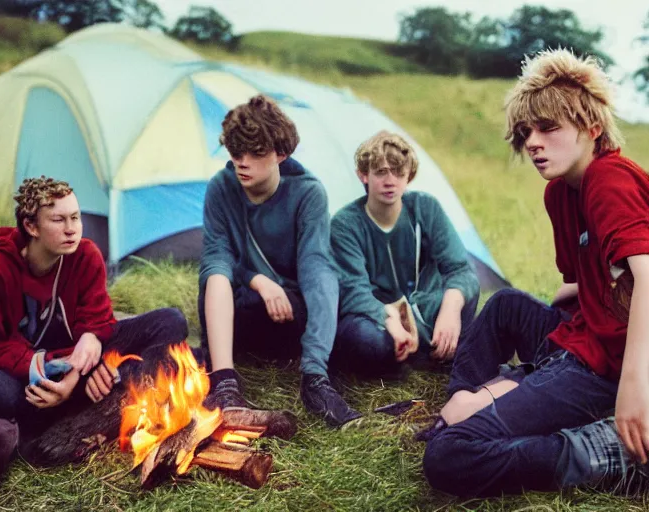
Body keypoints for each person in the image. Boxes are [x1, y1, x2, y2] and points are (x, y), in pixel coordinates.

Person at [421, 48, 649, 497]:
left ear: (592, 128)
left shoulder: (610, 179)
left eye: (548, 128)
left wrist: (634, 387)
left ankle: (603, 456)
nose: (533, 143)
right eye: (526, 132)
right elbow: (588, 277)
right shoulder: (562, 194)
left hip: (611, 367)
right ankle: (462, 402)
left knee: (449, 456)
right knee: (506, 303)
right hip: (585, 343)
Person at [0, 176, 188, 435]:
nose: (71, 229)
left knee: (170, 320)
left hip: (73, 363)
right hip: (24, 373)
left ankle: (94, 394)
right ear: (31, 226)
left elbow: (99, 318)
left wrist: (91, 343)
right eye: (58, 220)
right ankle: (102, 394)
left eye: (75, 218)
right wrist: (60, 369)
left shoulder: (86, 255)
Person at [198, 94, 361, 427]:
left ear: (280, 154)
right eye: (235, 152)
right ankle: (224, 383)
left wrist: (315, 369)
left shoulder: (308, 193)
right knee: (215, 276)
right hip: (241, 308)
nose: (242, 162)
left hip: (290, 314)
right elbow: (217, 258)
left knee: (326, 287)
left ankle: (316, 381)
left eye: (256, 154)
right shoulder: (220, 187)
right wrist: (258, 280)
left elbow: (316, 269)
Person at [330, 131, 479, 376]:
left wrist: (450, 310)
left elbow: (460, 269)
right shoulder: (345, 224)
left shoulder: (425, 208)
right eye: (381, 172)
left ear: (409, 176)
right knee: (364, 339)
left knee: (465, 297)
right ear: (363, 175)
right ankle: (422, 353)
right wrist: (387, 318)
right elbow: (353, 291)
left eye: (398, 172)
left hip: (424, 307)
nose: (390, 181)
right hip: (375, 316)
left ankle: (433, 347)